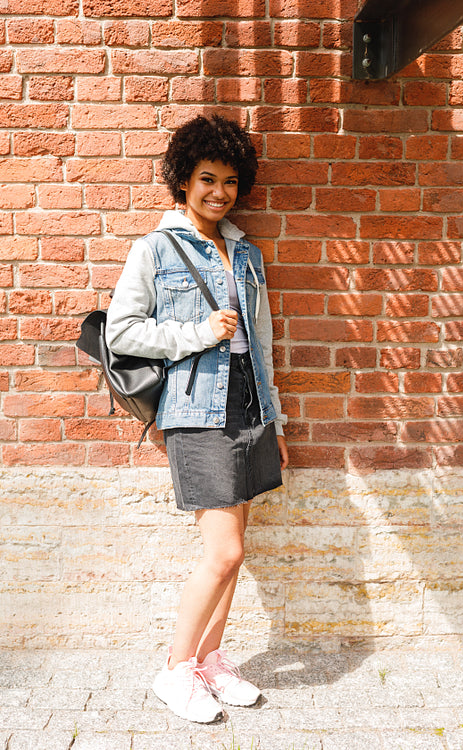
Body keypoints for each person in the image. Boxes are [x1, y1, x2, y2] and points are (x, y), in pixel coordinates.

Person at [106, 114, 288, 723]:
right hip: (196, 411)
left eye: (230, 181)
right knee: (225, 552)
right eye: (206, 178)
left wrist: (277, 422)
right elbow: (122, 331)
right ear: (182, 180)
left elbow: (261, 341)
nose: (219, 192)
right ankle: (176, 669)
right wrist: (195, 332)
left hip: (249, 407)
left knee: (236, 548)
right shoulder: (154, 248)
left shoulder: (246, 253)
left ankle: (210, 661)